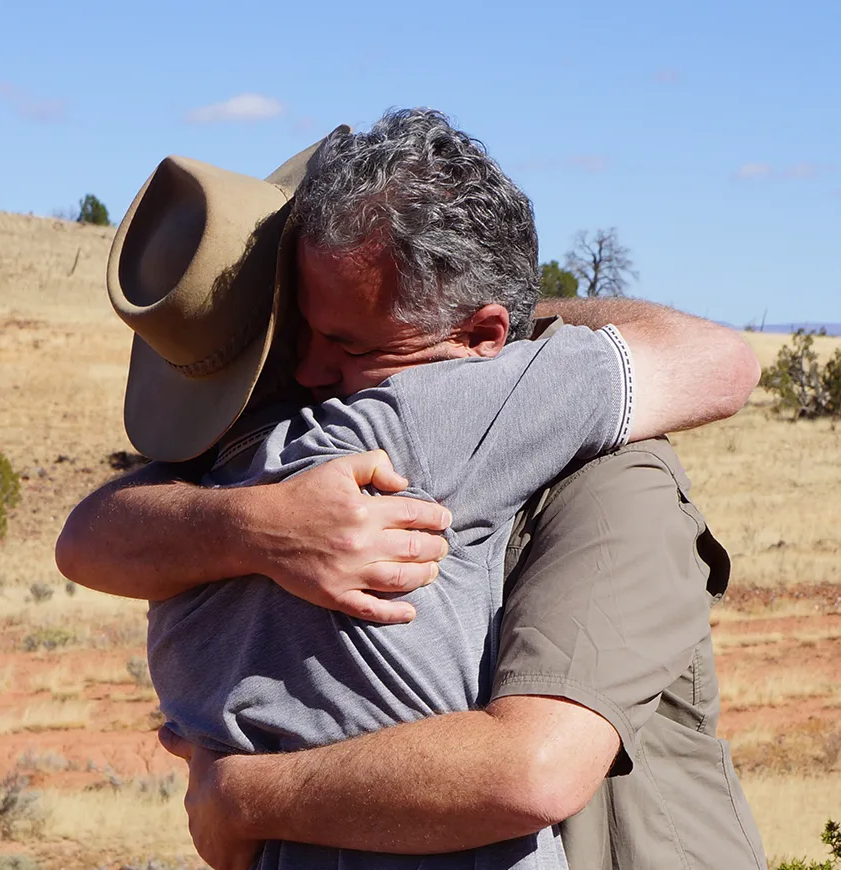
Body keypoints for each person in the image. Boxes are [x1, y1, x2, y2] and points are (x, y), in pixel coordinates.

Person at [57, 110, 767, 870]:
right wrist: (258, 526)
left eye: (351, 342)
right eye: (304, 331)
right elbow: (724, 363)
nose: (312, 371)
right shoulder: (417, 415)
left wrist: (240, 793)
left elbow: (82, 540)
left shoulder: (219, 468)